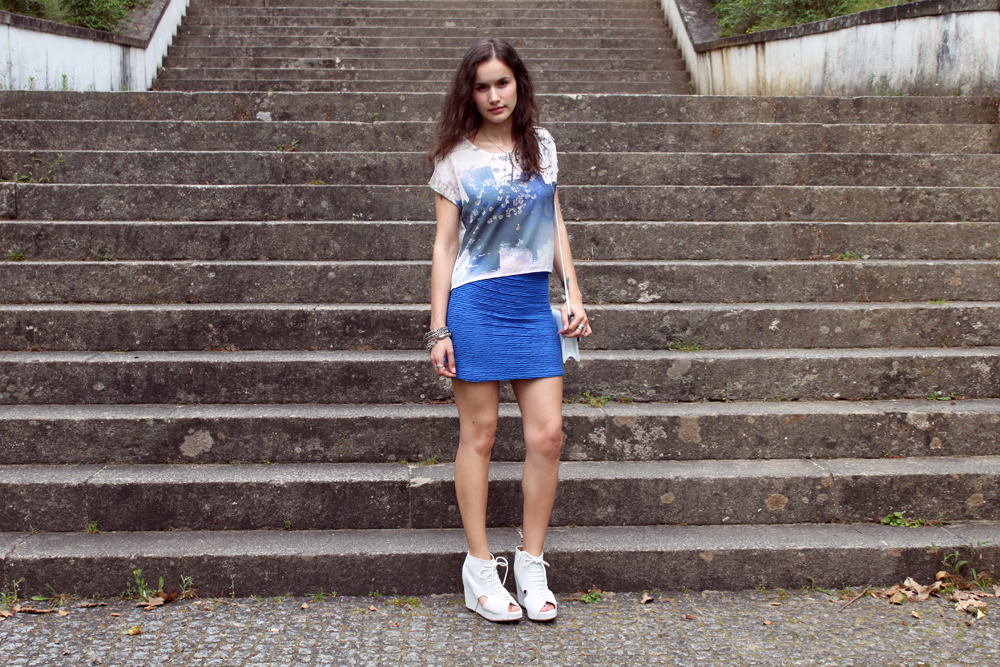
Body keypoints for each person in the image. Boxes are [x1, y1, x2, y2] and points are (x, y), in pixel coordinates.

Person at [424, 36, 592, 623]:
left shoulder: (542, 145)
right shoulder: (454, 159)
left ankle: (530, 563)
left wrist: (573, 292)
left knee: (548, 436)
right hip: (476, 305)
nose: (495, 95)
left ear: (518, 83)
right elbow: (445, 246)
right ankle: (478, 568)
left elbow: (554, 217)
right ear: (468, 93)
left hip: (531, 306)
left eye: (503, 82)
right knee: (481, 436)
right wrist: (439, 328)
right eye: (482, 86)